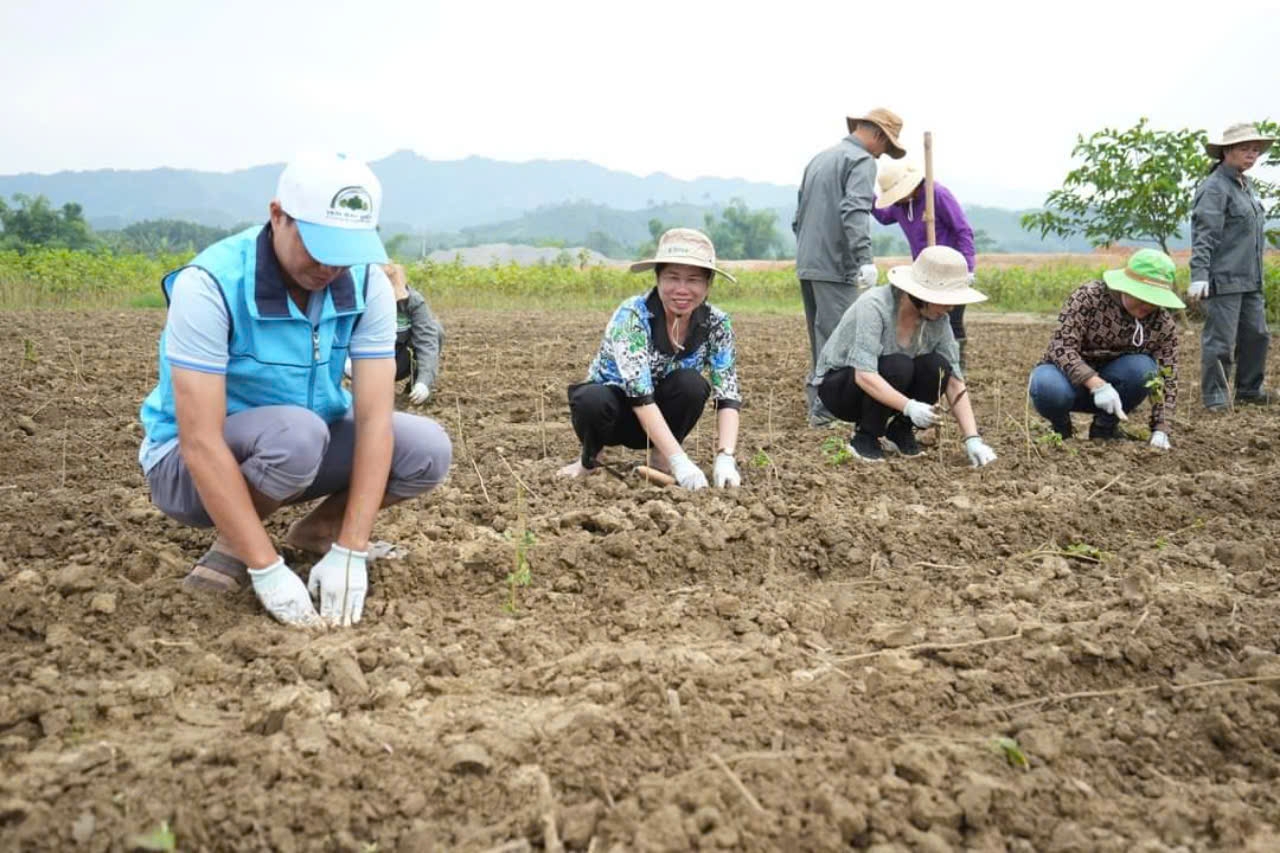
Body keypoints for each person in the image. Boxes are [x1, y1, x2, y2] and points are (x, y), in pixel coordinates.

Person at [137, 153, 453, 627]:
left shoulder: (368, 285)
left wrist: (352, 546)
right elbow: (199, 439)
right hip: (185, 468)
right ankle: (236, 547)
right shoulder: (210, 285)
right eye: (318, 245)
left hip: (303, 444)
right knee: (296, 436)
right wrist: (267, 570)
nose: (329, 266)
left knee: (427, 448)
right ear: (277, 215)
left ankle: (320, 533)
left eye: (343, 249)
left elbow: (373, 423)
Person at [557, 228, 741, 490]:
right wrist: (681, 460)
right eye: (672, 277)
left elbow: (728, 393)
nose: (682, 289)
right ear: (657, 279)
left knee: (692, 384)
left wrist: (726, 456)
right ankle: (590, 460)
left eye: (694, 280)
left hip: (664, 414)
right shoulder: (633, 316)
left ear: (708, 284)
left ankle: (661, 457)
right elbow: (639, 395)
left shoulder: (717, 323)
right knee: (591, 399)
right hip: (617, 412)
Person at [812, 245, 996, 465]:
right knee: (899, 365)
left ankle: (900, 431)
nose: (950, 308)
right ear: (920, 294)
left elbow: (955, 381)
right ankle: (865, 436)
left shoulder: (939, 320)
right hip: (842, 389)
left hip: (887, 389)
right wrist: (909, 407)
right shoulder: (874, 306)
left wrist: (972, 438)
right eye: (945, 299)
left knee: (937, 366)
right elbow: (864, 375)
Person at [793, 107, 906, 426]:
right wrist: (863, 259)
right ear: (879, 135)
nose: (883, 154)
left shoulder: (820, 159)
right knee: (843, 338)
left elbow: (798, 215)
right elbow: (855, 211)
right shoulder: (861, 161)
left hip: (808, 261)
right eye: (886, 147)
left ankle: (819, 406)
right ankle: (827, 409)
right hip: (835, 265)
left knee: (823, 338)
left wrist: (808, 251)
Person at [1029, 249, 1183, 449]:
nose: (1148, 304)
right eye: (1142, 296)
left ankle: (1104, 429)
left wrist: (1161, 428)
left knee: (1144, 369)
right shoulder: (1090, 297)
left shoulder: (1162, 324)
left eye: (1154, 299)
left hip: (1116, 390)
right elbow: (1062, 346)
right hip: (1068, 383)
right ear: (1126, 287)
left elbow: (1167, 377)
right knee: (1047, 385)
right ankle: (1061, 429)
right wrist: (1097, 385)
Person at [1188, 122, 1275, 411]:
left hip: (1251, 278)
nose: (1251, 154)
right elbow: (1205, 235)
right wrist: (1199, 275)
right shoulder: (1215, 188)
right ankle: (1216, 397)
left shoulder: (1244, 186)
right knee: (1221, 341)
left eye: (1255, 150)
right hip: (1223, 279)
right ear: (1227, 152)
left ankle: (1249, 390)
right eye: (1244, 149)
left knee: (1257, 336)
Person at [872, 161, 977, 367]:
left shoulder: (936, 194)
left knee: (951, 321)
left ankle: (956, 369)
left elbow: (962, 230)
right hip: (923, 275)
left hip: (949, 272)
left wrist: (968, 267)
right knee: (924, 318)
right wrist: (864, 194)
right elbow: (884, 217)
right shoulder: (901, 205)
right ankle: (929, 366)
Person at [385, 263, 445, 405]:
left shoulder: (414, 301)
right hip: (367, 362)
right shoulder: (363, 299)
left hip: (400, 360)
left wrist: (424, 382)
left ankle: (415, 390)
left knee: (436, 330)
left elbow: (427, 340)